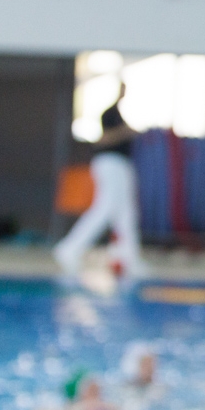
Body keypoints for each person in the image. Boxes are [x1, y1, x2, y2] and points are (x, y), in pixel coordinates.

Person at [53, 86, 146, 281]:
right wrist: (126, 132)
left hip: (122, 166)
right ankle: (69, 248)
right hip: (110, 164)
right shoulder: (109, 114)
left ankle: (129, 258)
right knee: (105, 208)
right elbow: (102, 141)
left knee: (126, 213)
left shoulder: (120, 116)